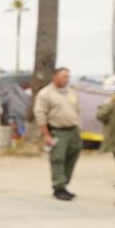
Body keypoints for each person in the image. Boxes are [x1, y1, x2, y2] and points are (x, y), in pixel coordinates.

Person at [33, 67, 82, 201]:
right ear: (55, 77)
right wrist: (46, 135)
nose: (67, 79)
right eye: (64, 76)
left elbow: (77, 110)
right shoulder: (45, 94)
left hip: (73, 130)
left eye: (68, 76)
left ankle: (64, 184)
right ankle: (58, 187)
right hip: (57, 131)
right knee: (58, 159)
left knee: (72, 158)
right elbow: (40, 114)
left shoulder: (71, 92)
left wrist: (79, 128)